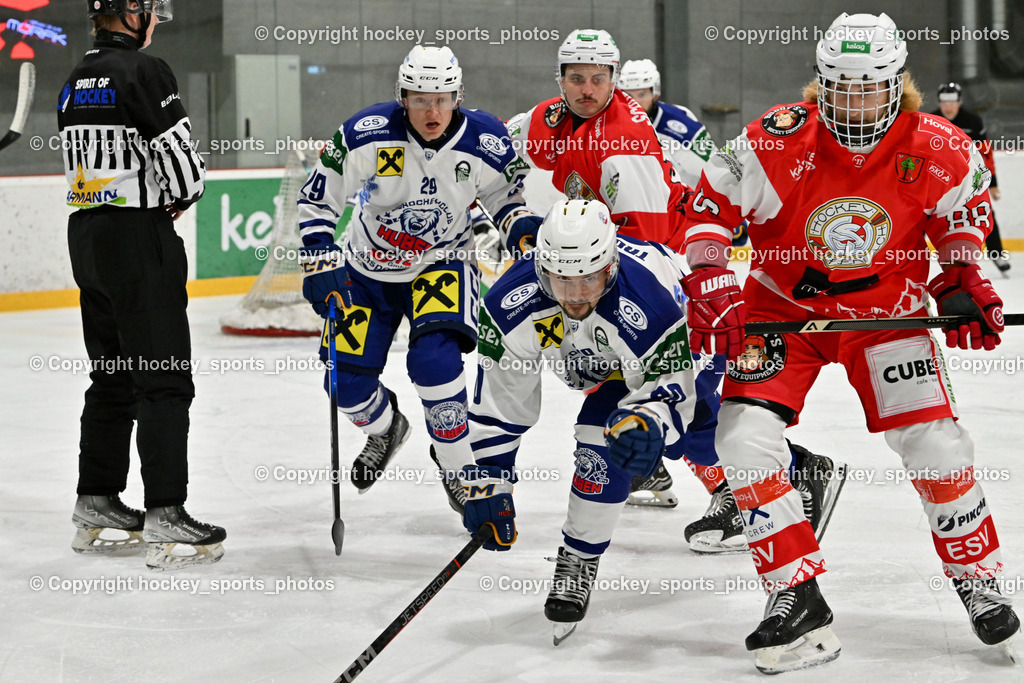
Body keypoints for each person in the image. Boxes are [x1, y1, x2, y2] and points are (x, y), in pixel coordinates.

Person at [679, 12, 1018, 673]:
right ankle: (795, 595)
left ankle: (979, 578)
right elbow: (708, 204)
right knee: (741, 440)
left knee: (938, 443)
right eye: (841, 88)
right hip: (781, 312)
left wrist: (961, 278)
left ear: (897, 86)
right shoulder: (774, 139)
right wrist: (713, 276)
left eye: (869, 89)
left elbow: (961, 223)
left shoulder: (940, 145)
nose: (854, 103)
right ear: (820, 85)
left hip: (887, 315)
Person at [297, 45, 542, 492]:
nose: (433, 110)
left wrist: (518, 226)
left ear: (458, 96)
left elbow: (504, 198)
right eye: (420, 98)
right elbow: (319, 199)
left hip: (442, 263)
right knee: (345, 386)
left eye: (443, 98)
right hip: (367, 270)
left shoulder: (485, 140)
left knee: (434, 362)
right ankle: (386, 429)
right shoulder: (364, 133)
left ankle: (456, 466)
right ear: (402, 96)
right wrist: (319, 257)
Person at [60, 0, 224, 570]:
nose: (154, 19)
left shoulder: (75, 79)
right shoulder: (144, 70)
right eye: (148, 9)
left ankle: (96, 498)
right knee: (163, 379)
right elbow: (184, 170)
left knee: (111, 374)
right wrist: (181, 194)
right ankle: (165, 510)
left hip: (86, 236)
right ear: (130, 15)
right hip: (137, 239)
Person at [502, 29, 687, 253]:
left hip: (675, 254)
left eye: (598, 79)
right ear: (561, 81)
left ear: (613, 82)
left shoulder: (624, 143)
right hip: (613, 244)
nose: (587, 90)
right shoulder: (556, 115)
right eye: (576, 79)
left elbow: (645, 244)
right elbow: (495, 143)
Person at [933, 82, 1010, 274]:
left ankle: (997, 254)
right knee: (922, 216)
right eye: (944, 102)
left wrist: (993, 183)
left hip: (970, 179)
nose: (948, 107)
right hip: (938, 179)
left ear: (959, 102)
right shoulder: (932, 120)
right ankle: (905, 259)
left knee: (984, 212)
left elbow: (986, 153)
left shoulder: (973, 122)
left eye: (952, 102)